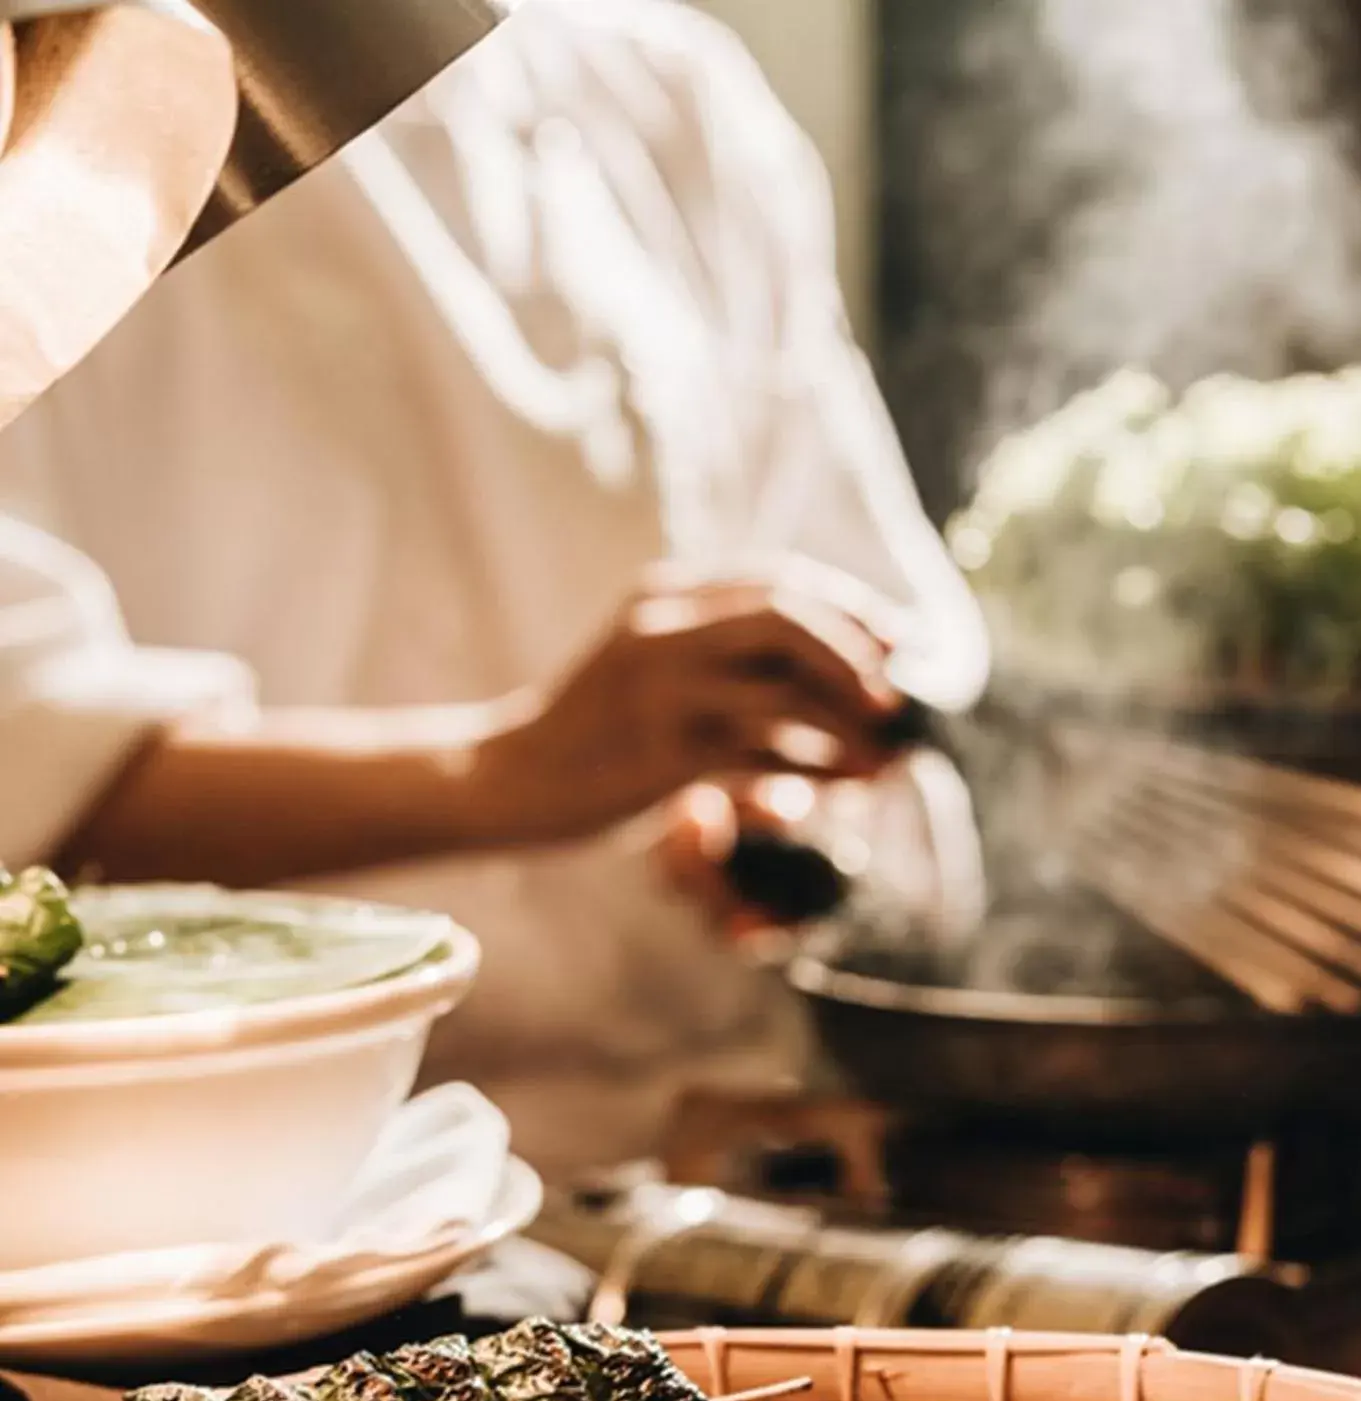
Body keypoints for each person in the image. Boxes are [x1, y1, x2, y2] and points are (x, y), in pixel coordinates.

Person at [0, 0, 988, 1179]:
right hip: (254, 1182)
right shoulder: (60, 96)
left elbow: (857, 594)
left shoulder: (663, 84)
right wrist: (510, 770)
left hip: (715, 1145)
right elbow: (26, 750)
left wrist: (770, 781)